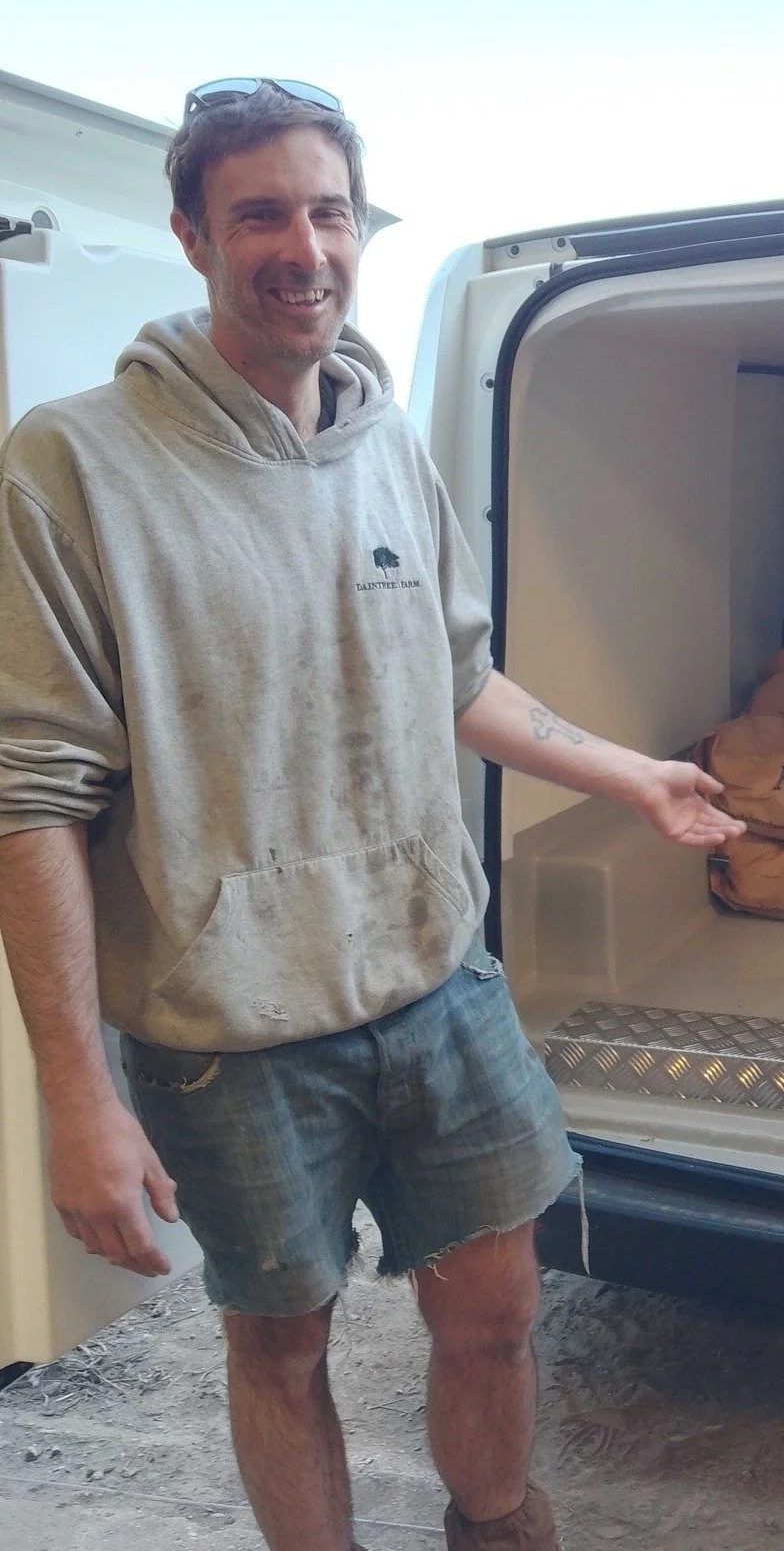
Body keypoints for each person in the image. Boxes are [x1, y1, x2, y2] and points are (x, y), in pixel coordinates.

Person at [0, 78, 744, 1551]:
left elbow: (456, 679)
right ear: (193, 238)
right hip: (227, 1038)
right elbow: (31, 795)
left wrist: (630, 773)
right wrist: (76, 1100)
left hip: (434, 981)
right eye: (260, 212)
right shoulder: (71, 464)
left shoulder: (389, 441)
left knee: (499, 1306)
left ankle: (498, 1524)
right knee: (280, 1348)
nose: (304, 245)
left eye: (328, 210)